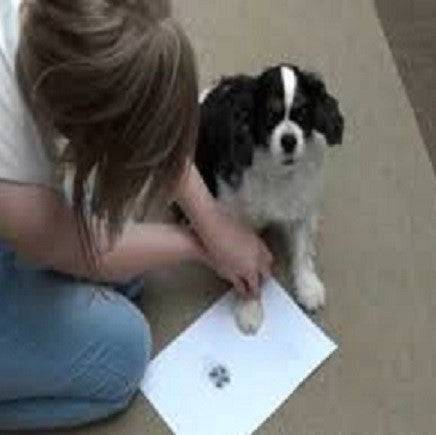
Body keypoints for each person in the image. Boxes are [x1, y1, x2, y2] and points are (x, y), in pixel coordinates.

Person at [0, 0, 273, 430]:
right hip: (15, 215)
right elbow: (80, 248)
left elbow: (150, 101)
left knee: (130, 274)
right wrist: (196, 244)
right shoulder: (9, 166)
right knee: (122, 356)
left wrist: (211, 219)